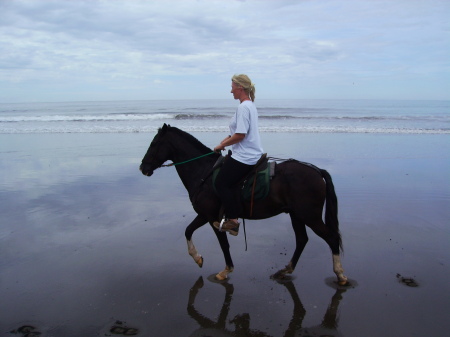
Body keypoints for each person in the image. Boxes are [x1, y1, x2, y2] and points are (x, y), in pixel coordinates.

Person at [213, 74, 264, 236]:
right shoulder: (249, 105)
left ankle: (233, 221)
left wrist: (222, 145)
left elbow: (240, 135)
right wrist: (225, 141)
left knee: (221, 183)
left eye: (233, 87)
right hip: (248, 152)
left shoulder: (243, 108)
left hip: (245, 155)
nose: (231, 91)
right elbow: (236, 133)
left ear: (240, 88)